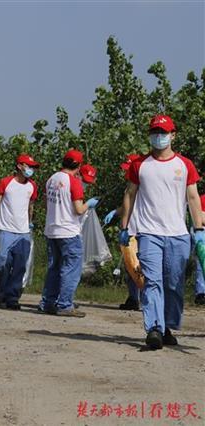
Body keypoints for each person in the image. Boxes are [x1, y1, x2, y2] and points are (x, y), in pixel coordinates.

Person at [120, 115, 203, 350]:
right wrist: (125, 227)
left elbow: (193, 197)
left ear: (173, 135)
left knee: (174, 284)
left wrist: (198, 229)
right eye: (155, 131)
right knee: (152, 282)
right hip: (149, 233)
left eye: (163, 132)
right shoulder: (139, 165)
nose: (159, 136)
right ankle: (154, 328)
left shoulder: (185, 165)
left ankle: (166, 325)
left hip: (178, 234)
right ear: (149, 135)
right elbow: (130, 194)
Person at [39, 149, 100, 317]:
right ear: (79, 166)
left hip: (52, 230)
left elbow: (45, 203)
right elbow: (79, 209)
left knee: (54, 268)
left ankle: (48, 302)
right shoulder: (74, 182)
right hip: (69, 232)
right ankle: (65, 304)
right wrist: (89, 203)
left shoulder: (52, 179)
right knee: (71, 269)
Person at [0, 153, 39, 310]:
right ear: (20, 166)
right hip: (6, 230)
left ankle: (13, 297)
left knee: (20, 265)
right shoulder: (6, 182)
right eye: (29, 166)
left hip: (23, 231)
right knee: (3, 264)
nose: (31, 170)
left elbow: (30, 206)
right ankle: (2, 293)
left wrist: (30, 221)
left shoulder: (32, 186)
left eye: (33, 167)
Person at [103, 154, 142, 311]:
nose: (125, 173)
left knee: (139, 266)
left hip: (139, 231)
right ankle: (133, 298)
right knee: (130, 265)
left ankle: (145, 297)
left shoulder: (141, 186)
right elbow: (127, 206)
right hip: (130, 229)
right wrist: (116, 212)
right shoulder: (131, 186)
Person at [193, 194, 205, 305]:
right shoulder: (202, 199)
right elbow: (201, 218)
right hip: (202, 232)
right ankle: (201, 293)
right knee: (201, 264)